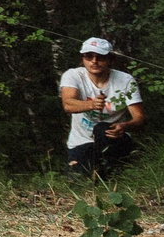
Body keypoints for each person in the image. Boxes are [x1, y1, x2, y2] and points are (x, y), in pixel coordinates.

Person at [60, 38, 144, 178]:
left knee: (102, 128)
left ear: (110, 59)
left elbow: (139, 118)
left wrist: (124, 126)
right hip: (82, 141)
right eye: (89, 56)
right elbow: (68, 104)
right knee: (78, 176)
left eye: (100, 57)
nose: (94, 61)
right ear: (83, 58)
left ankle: (116, 166)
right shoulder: (73, 75)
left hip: (112, 138)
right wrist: (91, 104)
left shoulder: (125, 81)